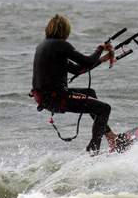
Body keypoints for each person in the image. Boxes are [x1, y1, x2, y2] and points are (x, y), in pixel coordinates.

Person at [31, 14, 120, 154]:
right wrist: (100, 48)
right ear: (65, 30)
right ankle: (94, 149)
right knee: (104, 109)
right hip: (57, 98)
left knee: (90, 93)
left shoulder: (44, 46)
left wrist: (102, 59)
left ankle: (111, 137)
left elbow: (77, 70)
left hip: (47, 98)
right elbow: (87, 62)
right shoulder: (60, 45)